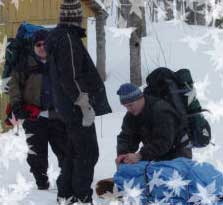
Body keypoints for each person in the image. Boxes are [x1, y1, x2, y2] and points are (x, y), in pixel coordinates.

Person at [45, 0, 112, 204]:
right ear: (74, 17)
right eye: (80, 14)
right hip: (76, 108)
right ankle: (82, 196)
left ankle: (66, 194)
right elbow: (70, 76)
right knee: (88, 153)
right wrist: (83, 103)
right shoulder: (67, 39)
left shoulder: (60, 37)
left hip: (67, 107)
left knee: (74, 151)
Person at [8, 30, 67, 190]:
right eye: (38, 44)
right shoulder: (25, 64)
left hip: (58, 117)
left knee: (65, 151)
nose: (42, 47)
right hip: (34, 117)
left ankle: (66, 180)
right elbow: (14, 87)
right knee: (37, 154)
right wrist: (17, 105)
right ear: (34, 46)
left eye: (45, 44)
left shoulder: (59, 62)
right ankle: (41, 183)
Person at [116, 83, 192, 166]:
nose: (129, 109)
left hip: (178, 152)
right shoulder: (132, 115)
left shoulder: (161, 110)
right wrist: (123, 154)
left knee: (167, 177)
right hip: (156, 154)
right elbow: (126, 136)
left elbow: (164, 141)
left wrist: (140, 155)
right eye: (125, 106)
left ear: (140, 98)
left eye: (130, 105)